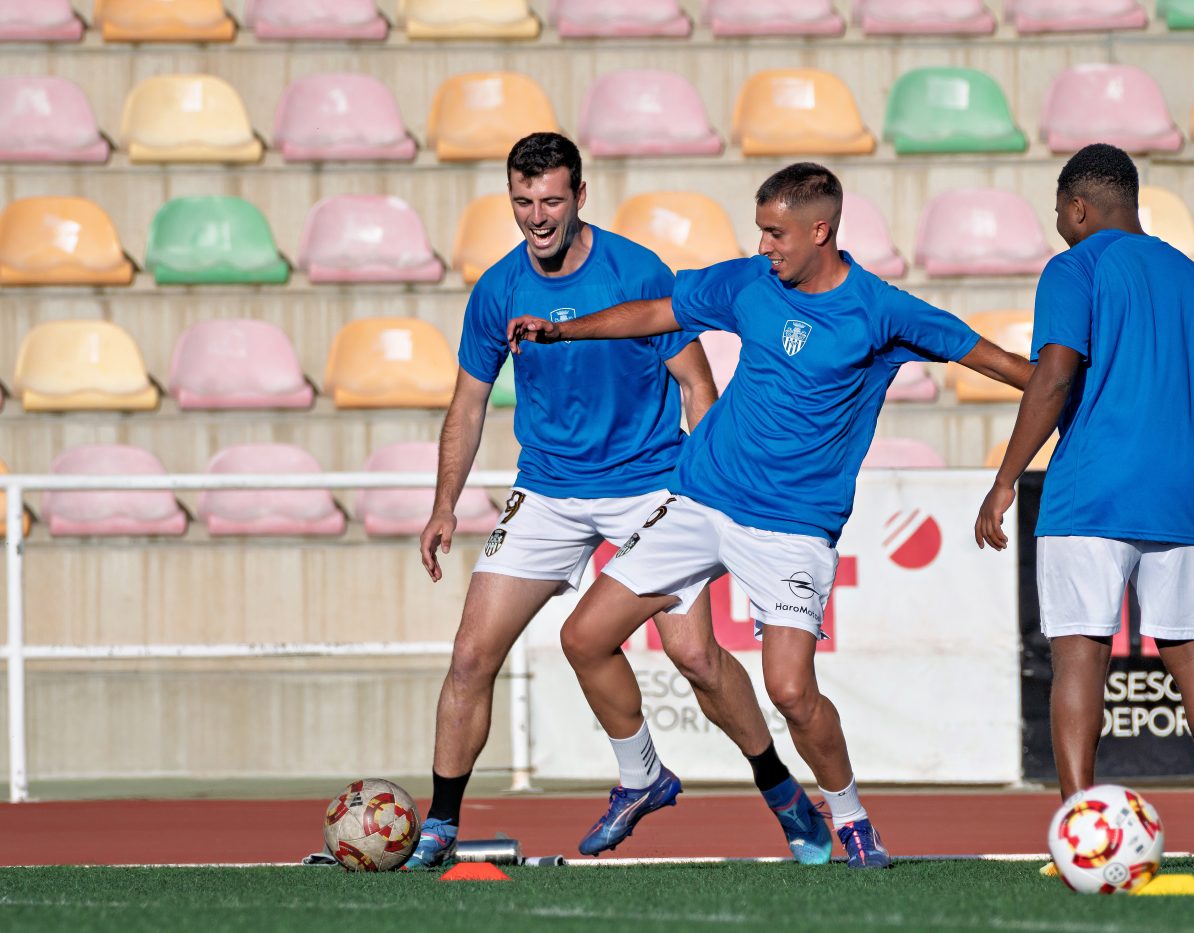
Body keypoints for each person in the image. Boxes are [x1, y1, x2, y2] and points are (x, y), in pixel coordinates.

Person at [508, 162, 1033, 868]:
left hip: (791, 525)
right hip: (702, 497)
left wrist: (1080, 395)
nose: (764, 246)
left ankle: (849, 818)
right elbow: (659, 312)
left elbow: (1007, 366)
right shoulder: (750, 282)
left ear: (821, 230)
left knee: (791, 688)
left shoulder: (883, 312)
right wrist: (563, 333)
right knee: (583, 636)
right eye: (760, 231)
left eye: (776, 233)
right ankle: (643, 776)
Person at [409, 133, 815, 868]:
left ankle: (784, 792)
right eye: (523, 200)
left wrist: (707, 488)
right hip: (548, 491)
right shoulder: (498, 287)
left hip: (650, 485)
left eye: (551, 200)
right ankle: (440, 822)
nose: (536, 216)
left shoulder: (636, 271)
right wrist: (445, 505)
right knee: (471, 654)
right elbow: (468, 404)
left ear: (580, 196)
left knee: (694, 654)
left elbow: (696, 384)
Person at [973, 143, 1194, 872]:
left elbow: (1053, 375)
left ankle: (1083, 832)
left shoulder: (1074, 268)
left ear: (1077, 207)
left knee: (1080, 656)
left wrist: (1007, 476)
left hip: (1088, 496)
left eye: (1060, 214)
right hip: (1180, 499)